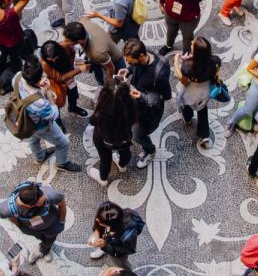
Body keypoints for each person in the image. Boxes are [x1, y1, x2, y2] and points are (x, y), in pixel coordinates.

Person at [15, 57, 83, 173]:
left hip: (26, 120)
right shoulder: (39, 103)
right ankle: (62, 163)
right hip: (42, 126)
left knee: (34, 139)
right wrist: (48, 93)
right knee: (63, 143)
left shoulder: (17, 77)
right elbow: (54, 115)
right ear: (38, 80)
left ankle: (40, 157)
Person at [121, 38, 172, 169]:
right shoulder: (144, 53)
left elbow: (166, 96)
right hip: (135, 102)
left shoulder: (160, 73)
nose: (128, 63)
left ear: (142, 56)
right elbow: (134, 67)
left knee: (138, 136)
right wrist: (129, 70)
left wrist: (142, 96)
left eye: (130, 61)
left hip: (148, 111)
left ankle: (150, 151)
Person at [1, 180, 68, 263]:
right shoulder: (8, 207)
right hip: (32, 228)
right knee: (40, 237)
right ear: (30, 205)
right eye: (41, 201)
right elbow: (10, 216)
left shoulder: (49, 194)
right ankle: (43, 246)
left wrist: (61, 221)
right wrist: (21, 227)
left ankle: (44, 251)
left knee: (49, 240)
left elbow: (62, 204)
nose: (44, 197)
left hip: (51, 226)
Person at [174, 36, 221, 148]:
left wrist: (176, 63)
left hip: (191, 91)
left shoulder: (187, 66)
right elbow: (218, 72)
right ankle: (204, 135)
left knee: (187, 105)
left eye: (192, 44)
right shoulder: (215, 60)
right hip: (205, 91)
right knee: (203, 111)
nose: (191, 43)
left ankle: (188, 118)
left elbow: (184, 81)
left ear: (197, 52)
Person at [88, 78, 137, 186]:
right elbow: (133, 120)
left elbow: (91, 121)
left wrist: (97, 107)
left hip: (103, 139)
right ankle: (122, 166)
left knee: (105, 159)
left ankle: (103, 179)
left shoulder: (100, 113)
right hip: (124, 138)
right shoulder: (131, 107)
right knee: (125, 153)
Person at [63, 20, 122, 87]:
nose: (65, 43)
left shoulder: (97, 53)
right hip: (98, 59)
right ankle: (101, 83)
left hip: (115, 62)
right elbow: (86, 18)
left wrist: (109, 83)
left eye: (68, 41)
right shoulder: (83, 23)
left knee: (119, 83)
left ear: (80, 41)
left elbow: (111, 68)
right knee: (98, 72)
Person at [89, 200, 145, 269]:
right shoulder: (107, 213)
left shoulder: (127, 237)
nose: (98, 222)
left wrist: (105, 245)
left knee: (122, 265)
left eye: (101, 222)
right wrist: (96, 233)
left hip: (118, 253)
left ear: (112, 225)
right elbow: (99, 221)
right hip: (110, 240)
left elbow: (124, 250)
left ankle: (126, 275)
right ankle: (103, 249)